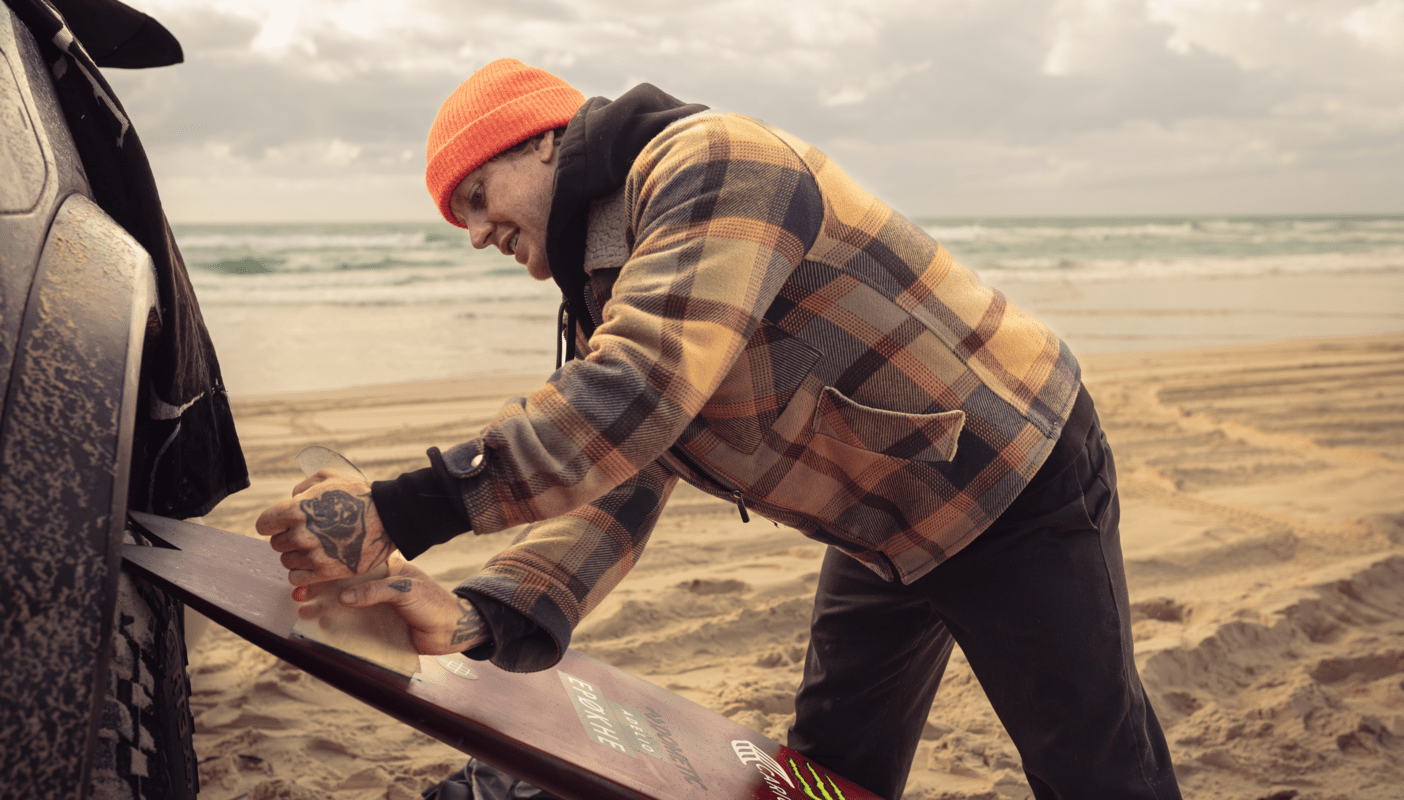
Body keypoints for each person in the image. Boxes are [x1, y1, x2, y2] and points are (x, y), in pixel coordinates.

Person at [256, 58, 1181, 799]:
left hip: (1007, 475)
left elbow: (636, 393)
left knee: (1090, 766)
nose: (473, 232)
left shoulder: (712, 163)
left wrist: (398, 509)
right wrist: (479, 615)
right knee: (828, 774)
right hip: (877, 515)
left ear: (542, 144)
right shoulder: (606, 285)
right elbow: (617, 471)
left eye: (473, 193)